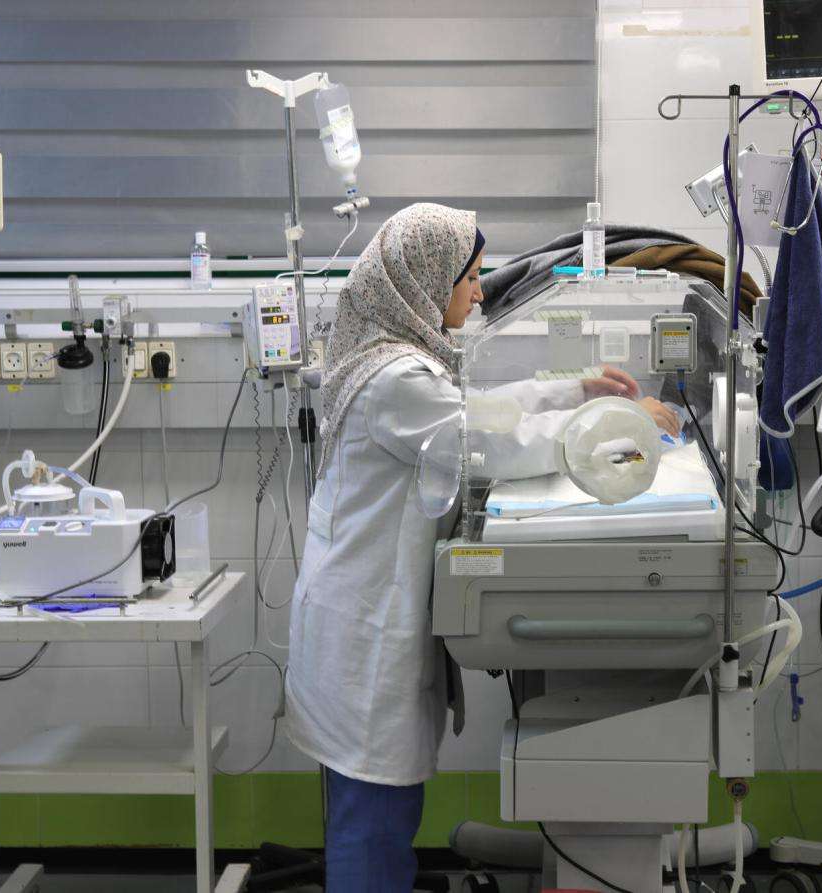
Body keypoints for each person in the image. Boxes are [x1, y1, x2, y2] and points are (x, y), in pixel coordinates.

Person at [284, 203, 680, 891]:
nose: (476, 290)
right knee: (373, 822)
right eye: (467, 276)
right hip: (362, 634)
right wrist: (611, 421)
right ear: (423, 279)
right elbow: (485, 439)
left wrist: (575, 387)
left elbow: (477, 406)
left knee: (377, 815)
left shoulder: (404, 358)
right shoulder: (395, 379)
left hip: (359, 615)